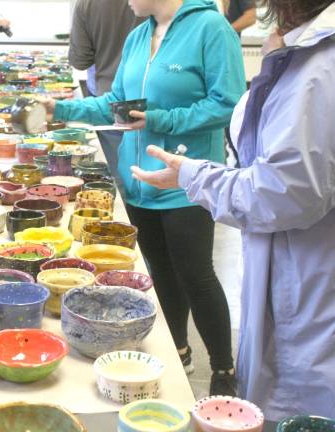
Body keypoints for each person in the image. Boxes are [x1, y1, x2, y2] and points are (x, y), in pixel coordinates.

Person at [131, 0, 335, 420]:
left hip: (309, 290)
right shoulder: (300, 50)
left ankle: (221, 367)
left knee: (302, 406)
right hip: (288, 273)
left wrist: (194, 175)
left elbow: (285, 193)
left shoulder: (320, 66)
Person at [41, 0, 246, 395]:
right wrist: (61, 108)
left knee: (197, 276)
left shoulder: (210, 29)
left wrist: (161, 119)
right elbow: (114, 103)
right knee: (161, 273)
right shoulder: (139, 35)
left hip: (185, 182)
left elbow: (228, 104)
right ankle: (180, 349)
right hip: (137, 182)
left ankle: (223, 369)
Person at [68, 0, 143, 181]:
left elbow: (80, 60)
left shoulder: (87, 3)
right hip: (155, 100)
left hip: (112, 101)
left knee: (119, 178)